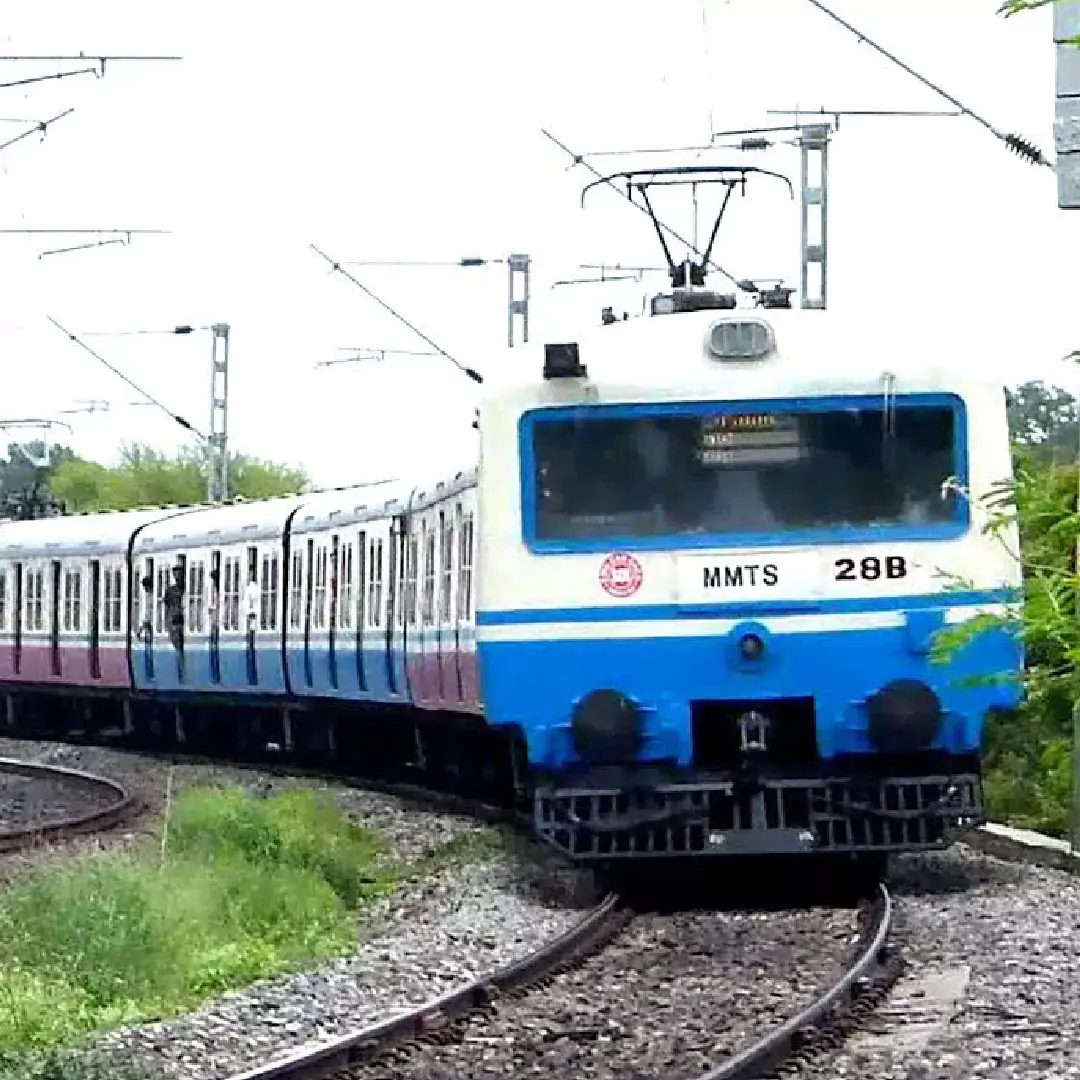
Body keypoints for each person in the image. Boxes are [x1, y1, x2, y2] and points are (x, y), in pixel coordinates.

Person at [163, 565, 185, 652]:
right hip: (174, 619)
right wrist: (168, 622)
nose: (177, 576)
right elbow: (167, 606)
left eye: (179, 574)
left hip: (181, 619)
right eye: (175, 574)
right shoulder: (170, 590)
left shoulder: (185, 589)